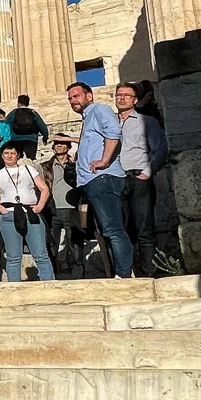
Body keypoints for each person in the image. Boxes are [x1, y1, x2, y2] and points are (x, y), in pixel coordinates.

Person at [66, 81, 133, 278]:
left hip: (103, 178)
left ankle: (124, 274)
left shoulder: (98, 110)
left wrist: (104, 160)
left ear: (89, 96)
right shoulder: (87, 118)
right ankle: (118, 273)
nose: (73, 101)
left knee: (113, 229)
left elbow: (114, 132)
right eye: (70, 98)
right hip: (93, 182)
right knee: (106, 231)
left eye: (76, 96)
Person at [116, 81, 169, 277]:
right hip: (117, 180)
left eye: (126, 95)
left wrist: (147, 172)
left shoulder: (146, 121)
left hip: (139, 176)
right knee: (122, 228)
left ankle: (150, 273)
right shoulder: (110, 124)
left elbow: (160, 149)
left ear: (135, 100)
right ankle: (127, 273)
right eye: (118, 95)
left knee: (144, 227)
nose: (121, 98)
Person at [0, 142, 56, 282]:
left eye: (12, 153)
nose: (9, 156)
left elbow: (44, 189)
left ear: (18, 155)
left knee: (41, 254)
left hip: (30, 213)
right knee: (13, 257)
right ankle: (15, 288)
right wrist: (3, 210)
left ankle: (49, 285)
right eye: (6, 153)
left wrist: (39, 206)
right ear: (2, 155)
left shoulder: (29, 169)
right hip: (9, 215)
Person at [39, 140, 81, 275]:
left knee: (75, 245)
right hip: (52, 209)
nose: (59, 145)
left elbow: (86, 142)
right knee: (51, 245)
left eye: (63, 143)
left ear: (69, 147)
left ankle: (78, 277)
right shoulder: (44, 167)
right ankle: (51, 276)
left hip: (72, 208)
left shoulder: (77, 164)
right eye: (56, 143)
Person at [4, 95, 50, 160]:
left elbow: (6, 126)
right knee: (32, 160)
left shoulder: (13, 113)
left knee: (17, 160)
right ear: (28, 103)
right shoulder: (33, 112)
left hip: (16, 139)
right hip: (31, 139)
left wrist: (6, 140)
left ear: (18, 103)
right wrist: (45, 137)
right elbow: (42, 126)